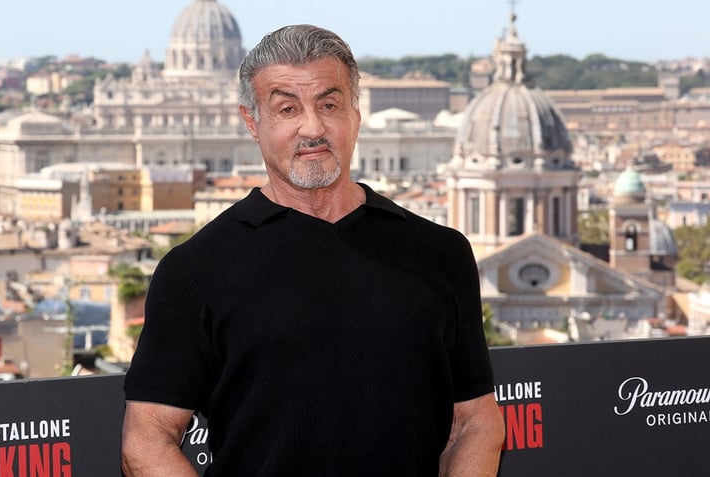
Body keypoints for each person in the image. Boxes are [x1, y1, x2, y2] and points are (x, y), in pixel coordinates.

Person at [122, 24, 505, 476]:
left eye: (329, 104)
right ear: (252, 122)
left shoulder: (441, 253)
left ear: (356, 116)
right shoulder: (195, 270)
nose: (313, 127)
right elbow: (146, 440)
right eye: (287, 108)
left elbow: (476, 422)